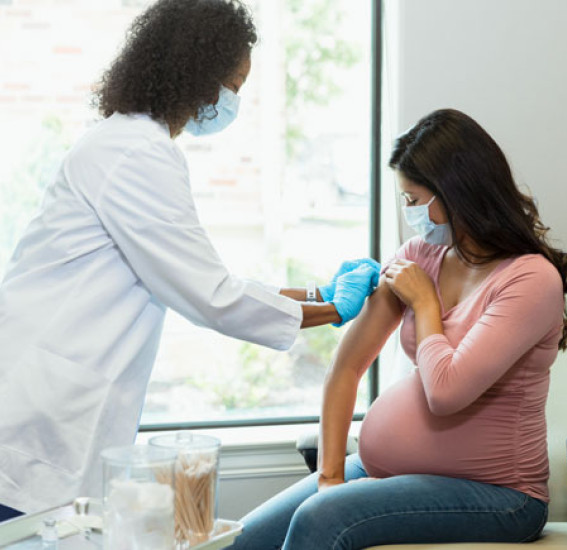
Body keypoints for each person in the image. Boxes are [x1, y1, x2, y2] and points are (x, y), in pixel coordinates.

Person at [0, 0, 379, 521]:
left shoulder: (127, 143)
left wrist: (317, 294)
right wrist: (333, 310)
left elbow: (201, 280)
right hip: (37, 420)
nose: (232, 102)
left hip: (54, 409)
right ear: (197, 75)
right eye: (234, 87)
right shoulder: (135, 153)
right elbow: (211, 295)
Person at [228, 108, 567, 549]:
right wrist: (330, 477)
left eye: (414, 199)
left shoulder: (530, 280)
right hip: (384, 471)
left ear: (456, 194)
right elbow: (345, 369)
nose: (408, 213)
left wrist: (423, 302)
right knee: (234, 542)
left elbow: (446, 393)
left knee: (324, 520)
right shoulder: (420, 254)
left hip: (501, 497)